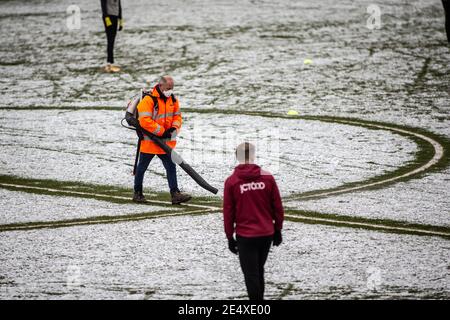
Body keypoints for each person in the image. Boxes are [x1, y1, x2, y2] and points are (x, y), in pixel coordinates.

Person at [223, 142, 284, 300]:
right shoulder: (268, 178)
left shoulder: (232, 182)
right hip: (266, 233)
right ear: (253, 155)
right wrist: (278, 229)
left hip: (246, 236)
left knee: (251, 274)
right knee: (259, 270)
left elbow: (228, 212)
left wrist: (230, 236)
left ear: (237, 157)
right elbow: (277, 206)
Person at [133, 76, 192, 205]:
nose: (170, 91)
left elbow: (177, 116)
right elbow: (144, 121)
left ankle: (175, 194)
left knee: (171, 166)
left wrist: (174, 128)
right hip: (150, 142)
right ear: (160, 86)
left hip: (164, 143)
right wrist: (161, 131)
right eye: (168, 88)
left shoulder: (173, 99)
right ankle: (137, 193)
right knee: (141, 168)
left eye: (172, 88)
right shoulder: (148, 100)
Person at [100, 0, 123, 72]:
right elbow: (103, 5)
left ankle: (111, 61)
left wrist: (120, 19)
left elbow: (119, 6)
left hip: (115, 16)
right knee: (110, 39)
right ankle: (109, 61)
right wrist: (106, 17)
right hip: (108, 17)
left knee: (112, 39)